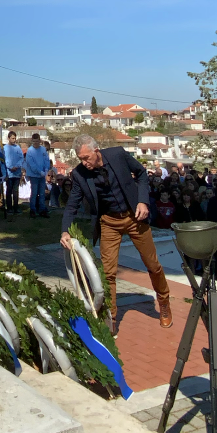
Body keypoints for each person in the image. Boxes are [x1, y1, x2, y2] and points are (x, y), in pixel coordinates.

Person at [60, 137, 172, 334]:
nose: (84, 162)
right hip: (109, 222)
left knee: (152, 264)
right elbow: (72, 204)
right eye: (80, 159)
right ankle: (110, 318)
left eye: (87, 157)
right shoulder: (79, 174)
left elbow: (142, 174)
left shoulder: (118, 155)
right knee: (109, 272)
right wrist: (64, 231)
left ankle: (163, 301)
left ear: (97, 151)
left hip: (134, 216)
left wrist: (143, 201)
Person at [24, 133, 50, 217]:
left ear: (40, 141)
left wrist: (46, 169)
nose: (36, 143)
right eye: (34, 141)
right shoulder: (30, 151)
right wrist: (40, 172)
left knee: (42, 193)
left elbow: (46, 160)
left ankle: (42, 209)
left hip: (42, 175)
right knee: (34, 193)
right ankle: (33, 209)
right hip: (34, 175)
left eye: (37, 141)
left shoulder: (43, 149)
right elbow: (31, 165)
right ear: (32, 141)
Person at [3, 129, 25, 214]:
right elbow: (5, 159)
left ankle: (16, 207)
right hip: (9, 173)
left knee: (15, 191)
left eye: (15, 138)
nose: (14, 140)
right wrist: (10, 167)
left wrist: (17, 166)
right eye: (12, 138)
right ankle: (9, 207)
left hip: (17, 173)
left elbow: (21, 158)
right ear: (9, 138)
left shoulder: (18, 148)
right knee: (9, 190)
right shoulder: (5, 148)